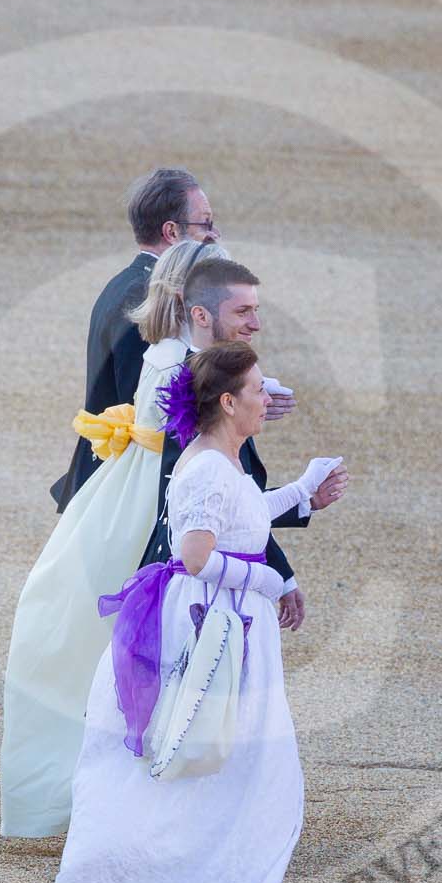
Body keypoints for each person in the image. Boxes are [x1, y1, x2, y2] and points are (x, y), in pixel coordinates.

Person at [52, 342, 340, 883]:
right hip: (215, 627)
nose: (269, 399)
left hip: (232, 625)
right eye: (260, 390)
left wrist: (302, 491)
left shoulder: (221, 461)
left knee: (229, 766)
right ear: (229, 402)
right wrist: (263, 580)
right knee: (233, 763)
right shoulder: (208, 465)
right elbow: (196, 554)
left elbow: (245, 517)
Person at [0, 240, 225, 837]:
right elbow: (200, 455)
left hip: (116, 494)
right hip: (148, 502)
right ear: (194, 301)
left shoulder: (165, 351)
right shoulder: (185, 364)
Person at [139, 256, 346, 631]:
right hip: (204, 605)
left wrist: (304, 496)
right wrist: (270, 578)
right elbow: (199, 533)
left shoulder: (206, 391)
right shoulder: (196, 408)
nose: (256, 323)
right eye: (243, 311)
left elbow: (237, 501)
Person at [51, 168, 221, 512]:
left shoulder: (127, 284)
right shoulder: (146, 300)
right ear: (172, 232)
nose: (214, 235)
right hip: (120, 492)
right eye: (205, 224)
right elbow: (150, 408)